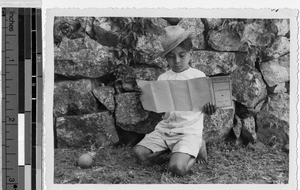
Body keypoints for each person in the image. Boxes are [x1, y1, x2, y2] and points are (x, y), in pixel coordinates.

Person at [134, 26, 216, 176]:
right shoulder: (163, 78)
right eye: (171, 56)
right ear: (166, 58)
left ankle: (196, 147)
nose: (177, 61)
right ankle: (176, 152)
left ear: (190, 54)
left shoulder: (199, 76)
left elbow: (206, 106)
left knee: (177, 168)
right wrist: (148, 96)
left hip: (188, 131)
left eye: (182, 55)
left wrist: (210, 108)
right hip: (165, 130)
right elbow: (160, 108)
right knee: (139, 153)